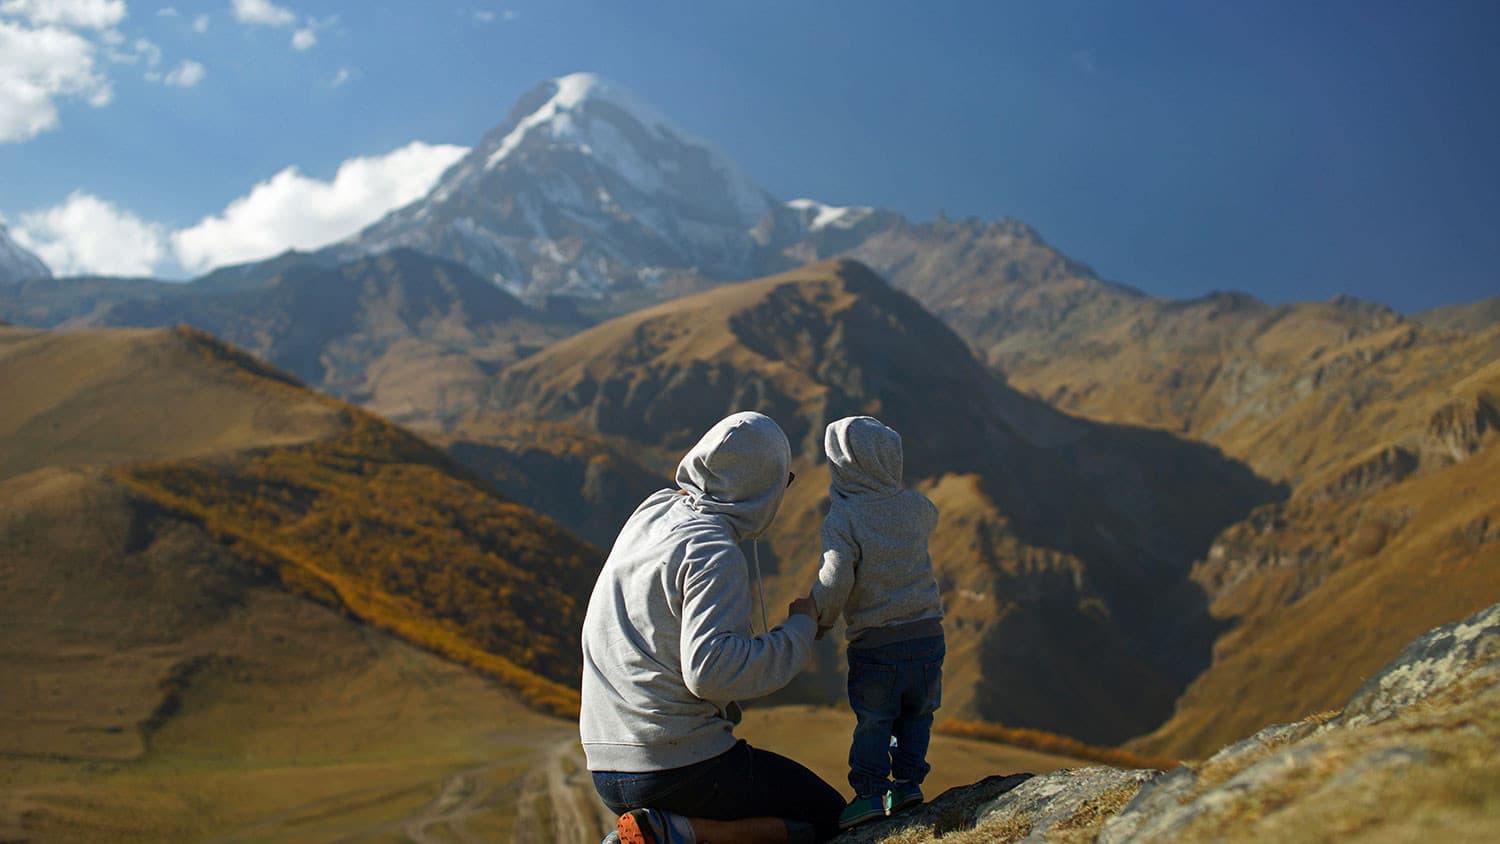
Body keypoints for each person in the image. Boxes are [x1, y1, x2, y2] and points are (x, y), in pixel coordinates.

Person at [581, 411, 845, 844]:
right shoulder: (712, 550)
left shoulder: (652, 513)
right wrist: (799, 629)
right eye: (784, 480)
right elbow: (711, 672)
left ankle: (666, 831)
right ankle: (677, 832)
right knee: (831, 818)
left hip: (606, 763)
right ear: (763, 485)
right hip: (675, 764)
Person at [809, 416, 945, 830]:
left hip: (877, 644)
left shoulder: (844, 520)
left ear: (843, 464)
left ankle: (868, 793)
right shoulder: (916, 506)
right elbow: (932, 516)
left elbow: (835, 578)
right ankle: (907, 784)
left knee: (875, 720)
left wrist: (821, 618)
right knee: (918, 715)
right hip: (928, 636)